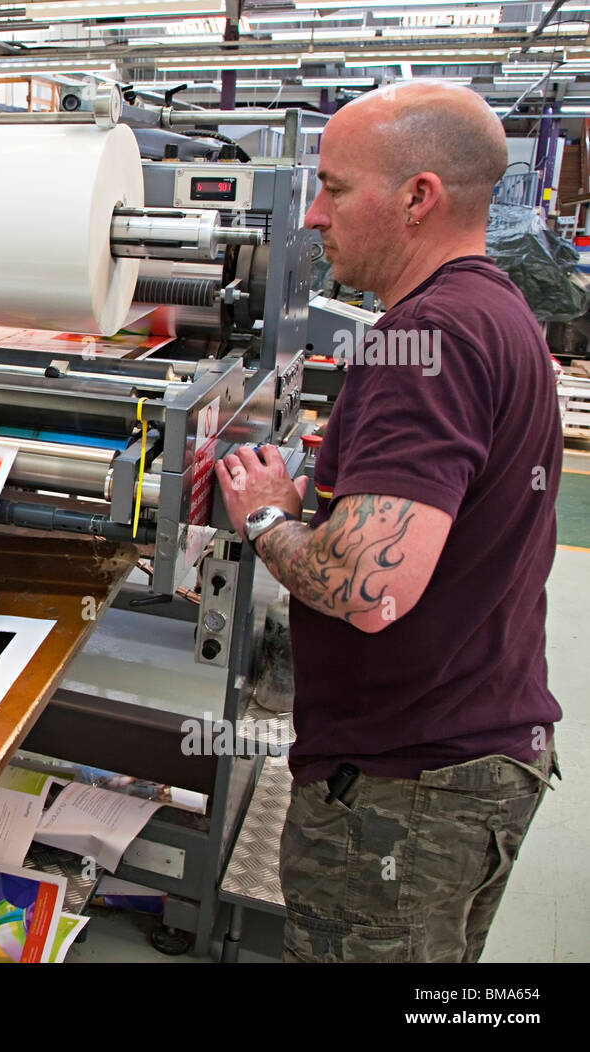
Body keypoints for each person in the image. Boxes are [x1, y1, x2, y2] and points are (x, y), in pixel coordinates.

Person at [215, 80, 563, 963]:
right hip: (477, 756)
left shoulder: (429, 341)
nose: (316, 219)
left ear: (419, 197)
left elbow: (369, 588)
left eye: (334, 189)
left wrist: (264, 520)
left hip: (406, 792)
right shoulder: (495, 312)